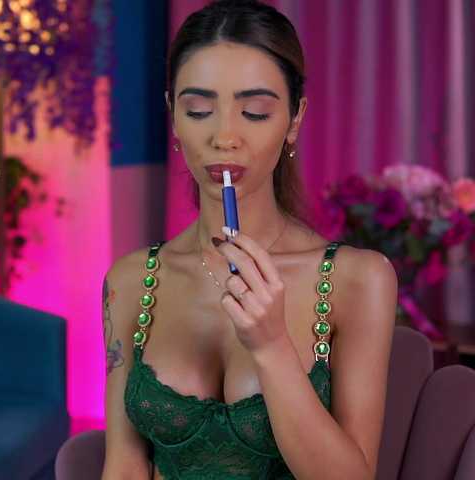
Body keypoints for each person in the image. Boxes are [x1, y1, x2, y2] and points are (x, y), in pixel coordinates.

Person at [102, 1, 397, 478]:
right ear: (173, 117)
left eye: (255, 112)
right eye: (198, 110)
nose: (224, 136)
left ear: (294, 119)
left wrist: (272, 345)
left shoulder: (358, 279)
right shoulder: (133, 279)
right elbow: (123, 466)